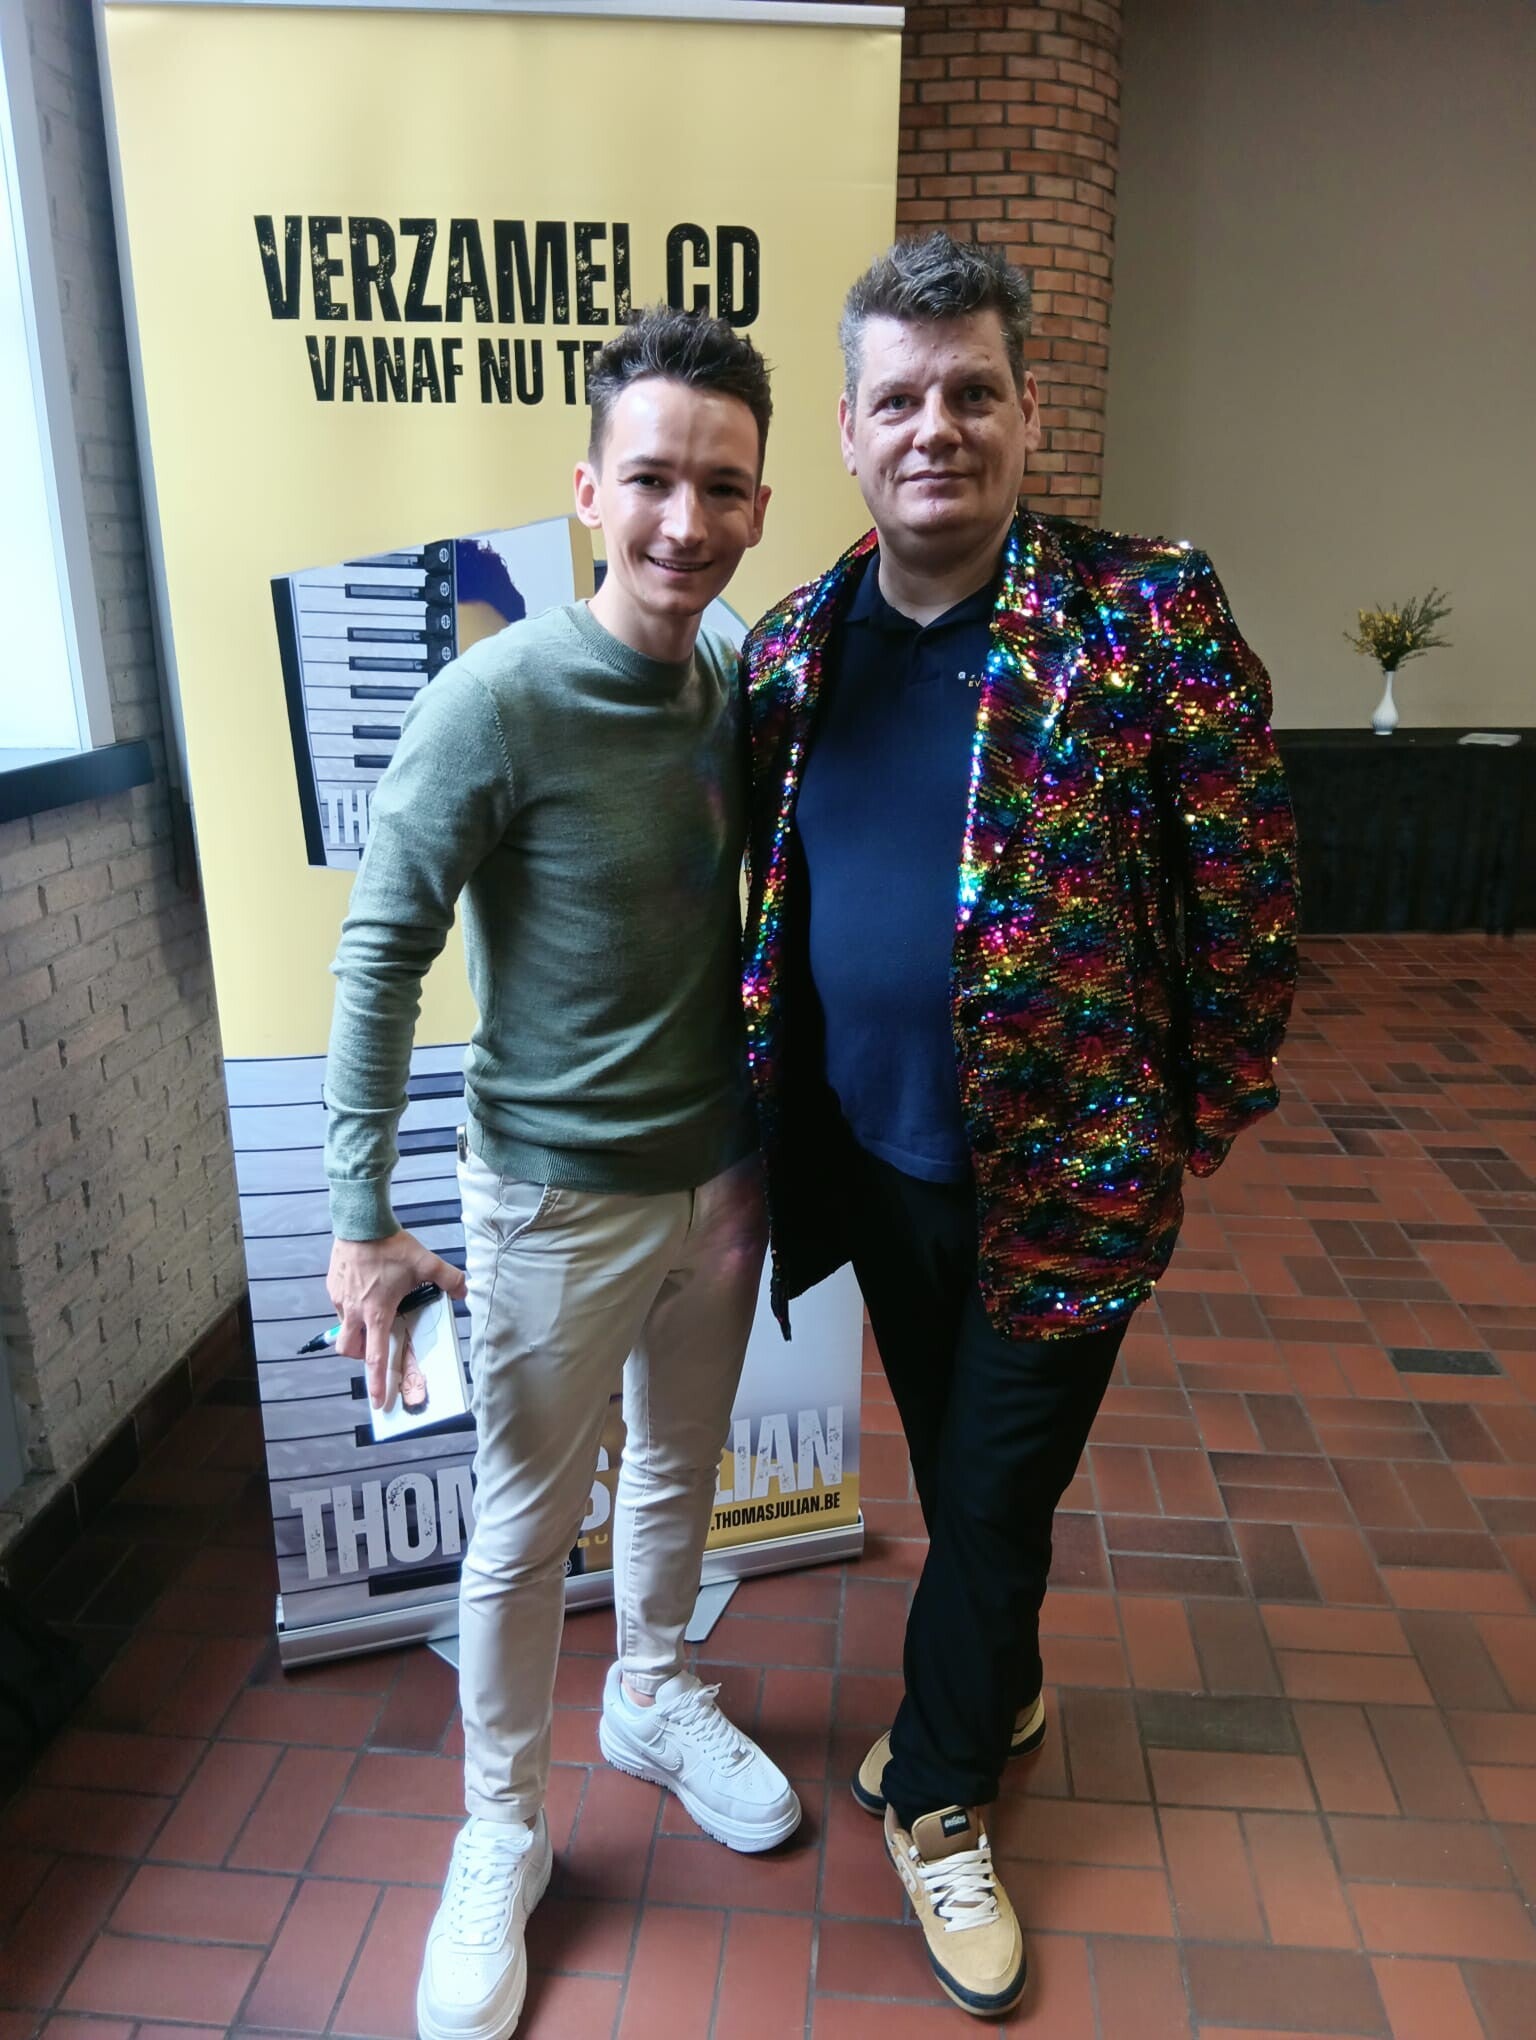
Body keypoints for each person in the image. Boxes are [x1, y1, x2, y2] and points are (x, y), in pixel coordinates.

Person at [741, 232, 1298, 2017]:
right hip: (879, 1159)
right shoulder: (791, 652)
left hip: (1075, 1176)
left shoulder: (1142, 616)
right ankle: (1005, 1676)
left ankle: (942, 1792)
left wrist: (1198, 1106)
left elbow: (1247, 887)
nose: (939, 428)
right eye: (900, 399)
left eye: (973, 392)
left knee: (991, 1489)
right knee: (962, 1466)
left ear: (1026, 412)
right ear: (849, 431)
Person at [322, 305, 800, 2040]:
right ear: (589, 490)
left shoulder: (735, 681)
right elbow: (380, 953)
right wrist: (361, 1218)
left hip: (719, 1183)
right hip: (550, 1200)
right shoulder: (495, 701)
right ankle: (501, 1828)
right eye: (652, 480)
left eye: (722, 487)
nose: (686, 520)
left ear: (760, 505)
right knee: (524, 1532)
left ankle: (653, 1693)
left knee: (678, 1465)